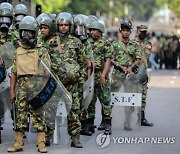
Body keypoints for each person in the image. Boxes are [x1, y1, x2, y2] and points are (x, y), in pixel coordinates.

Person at [7, 16, 50, 153]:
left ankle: (41, 143)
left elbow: (47, 74)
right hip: (22, 90)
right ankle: (18, 143)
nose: (26, 36)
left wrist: (43, 92)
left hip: (37, 89)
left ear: (35, 33)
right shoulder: (18, 51)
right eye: (24, 32)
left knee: (38, 116)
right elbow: (14, 72)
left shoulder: (41, 50)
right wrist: (12, 91)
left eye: (29, 33)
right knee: (20, 116)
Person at [49, 12, 83, 148]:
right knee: (51, 110)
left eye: (66, 25)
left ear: (70, 26)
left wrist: (79, 80)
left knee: (74, 111)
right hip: (55, 83)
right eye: (61, 25)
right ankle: (47, 136)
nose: (63, 27)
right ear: (57, 26)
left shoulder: (76, 42)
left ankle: (75, 138)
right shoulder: (50, 43)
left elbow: (81, 62)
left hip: (72, 84)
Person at [85, 20, 113, 135]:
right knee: (90, 100)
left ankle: (107, 123)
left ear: (100, 31)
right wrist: (88, 77)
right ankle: (90, 123)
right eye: (91, 30)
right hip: (90, 76)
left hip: (101, 76)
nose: (92, 32)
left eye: (94, 30)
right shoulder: (87, 43)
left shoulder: (106, 44)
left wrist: (103, 75)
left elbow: (108, 61)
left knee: (105, 100)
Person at [112, 20, 141, 130]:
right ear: (120, 31)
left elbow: (138, 59)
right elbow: (110, 59)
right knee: (111, 97)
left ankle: (127, 122)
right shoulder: (115, 45)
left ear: (130, 32)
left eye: (127, 30)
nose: (125, 33)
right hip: (117, 74)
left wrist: (130, 68)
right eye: (123, 30)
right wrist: (119, 66)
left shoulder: (134, 45)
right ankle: (106, 121)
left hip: (129, 75)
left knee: (129, 99)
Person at [36, 13, 57, 146]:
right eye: (41, 28)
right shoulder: (37, 42)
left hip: (53, 80)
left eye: (45, 27)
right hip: (38, 79)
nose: (42, 30)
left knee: (50, 109)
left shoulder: (57, 42)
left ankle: (48, 135)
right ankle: (41, 135)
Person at [133, 25, 153, 126]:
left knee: (143, 96)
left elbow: (147, 59)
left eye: (145, 32)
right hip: (134, 73)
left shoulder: (148, 44)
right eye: (142, 31)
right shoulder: (132, 44)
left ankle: (141, 118)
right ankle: (128, 119)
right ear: (137, 32)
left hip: (143, 74)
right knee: (132, 96)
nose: (143, 34)